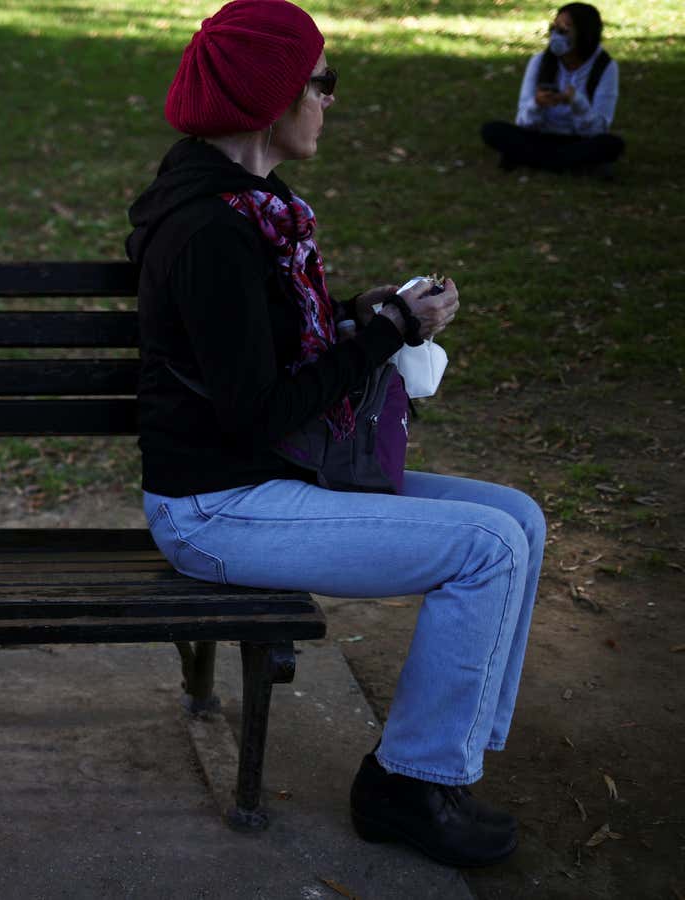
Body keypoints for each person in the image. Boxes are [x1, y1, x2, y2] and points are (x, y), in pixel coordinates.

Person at [127, 0, 544, 868]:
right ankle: (410, 785)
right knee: (488, 550)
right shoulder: (212, 231)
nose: (329, 101)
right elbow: (256, 409)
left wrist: (373, 315)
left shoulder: (253, 209)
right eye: (322, 83)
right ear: (271, 100)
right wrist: (386, 334)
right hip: (217, 506)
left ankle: (444, 764)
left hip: (267, 479)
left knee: (521, 520)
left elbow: (267, 350)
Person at [481, 3, 623, 175]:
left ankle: (535, 160)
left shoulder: (605, 67)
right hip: (540, 136)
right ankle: (564, 163)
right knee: (492, 130)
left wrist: (577, 104)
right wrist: (538, 104)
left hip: (578, 139)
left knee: (611, 144)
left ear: (584, 34)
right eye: (553, 29)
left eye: (564, 31)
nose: (556, 36)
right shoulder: (540, 61)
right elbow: (523, 121)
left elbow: (599, 128)